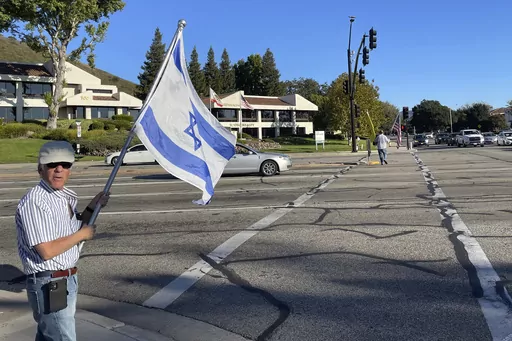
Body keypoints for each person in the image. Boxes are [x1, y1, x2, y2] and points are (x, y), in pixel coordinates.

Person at [15, 141, 109, 341]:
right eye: (52, 164)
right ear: (40, 168)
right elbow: (46, 250)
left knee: (49, 335)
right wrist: (82, 235)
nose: (59, 169)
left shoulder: (64, 196)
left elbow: (74, 227)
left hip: (66, 279)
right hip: (50, 283)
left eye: (65, 165)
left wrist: (94, 205)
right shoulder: (35, 202)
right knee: (61, 337)